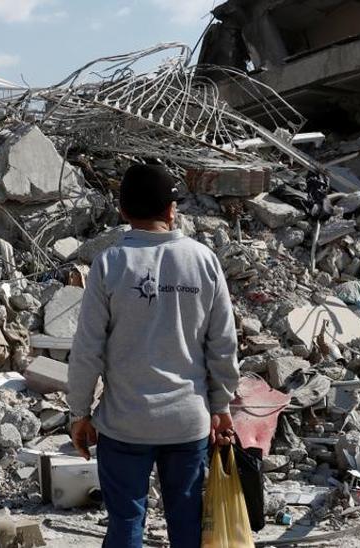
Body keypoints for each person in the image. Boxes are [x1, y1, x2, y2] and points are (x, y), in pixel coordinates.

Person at [68, 164, 241, 548]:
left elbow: (87, 350)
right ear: (171, 210)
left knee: (127, 520)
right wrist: (222, 404)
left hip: (125, 423)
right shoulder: (203, 261)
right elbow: (224, 345)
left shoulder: (110, 264)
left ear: (124, 212)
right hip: (187, 423)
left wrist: (79, 412)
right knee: (187, 520)